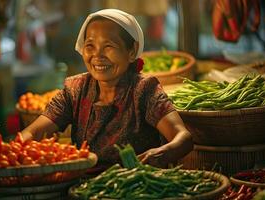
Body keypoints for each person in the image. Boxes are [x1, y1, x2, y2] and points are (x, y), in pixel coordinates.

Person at [20, 8, 193, 168]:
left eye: (108, 46)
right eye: (90, 46)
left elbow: (183, 138)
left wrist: (160, 154)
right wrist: (17, 149)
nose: (97, 56)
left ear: (132, 51)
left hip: (135, 185)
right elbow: (33, 132)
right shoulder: (75, 89)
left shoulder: (145, 89)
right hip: (84, 189)